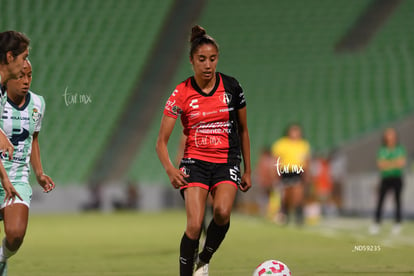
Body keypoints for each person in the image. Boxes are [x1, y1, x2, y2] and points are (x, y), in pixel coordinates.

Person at [156, 25, 251, 276]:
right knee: (194, 226)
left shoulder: (232, 87)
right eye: (201, 59)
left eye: (212, 58)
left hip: (227, 160)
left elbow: (243, 129)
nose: (208, 65)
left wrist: (248, 170)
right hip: (195, 162)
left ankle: (204, 258)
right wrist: (170, 169)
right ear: (191, 61)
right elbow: (161, 142)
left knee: (221, 212)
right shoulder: (181, 93)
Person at [0, 60, 55, 274]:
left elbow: (33, 139)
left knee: (15, 235)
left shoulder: (38, 103)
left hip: (17, 178)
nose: (25, 81)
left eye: (29, 76)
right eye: (20, 76)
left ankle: (2, 259)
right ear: (8, 77)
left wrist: (39, 173)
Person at [0, 31, 30, 203]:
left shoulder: (2, 91)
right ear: (10, 56)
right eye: (24, 57)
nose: (26, 64)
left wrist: (4, 178)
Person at [271, 123, 310, 225]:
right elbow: (277, 160)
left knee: (298, 194)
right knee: (286, 195)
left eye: (297, 131)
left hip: (298, 171)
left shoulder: (303, 145)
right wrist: (276, 174)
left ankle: (299, 216)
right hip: (285, 171)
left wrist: (306, 175)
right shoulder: (281, 144)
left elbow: (306, 161)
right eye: (293, 131)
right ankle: (285, 214)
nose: (295, 134)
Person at [370, 128, 406, 235]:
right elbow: (381, 165)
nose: (390, 137)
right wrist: (393, 163)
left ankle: (397, 223)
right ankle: (377, 223)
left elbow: (401, 163)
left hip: (397, 177)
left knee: (397, 201)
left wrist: (388, 164)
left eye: (392, 135)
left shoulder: (400, 148)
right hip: (385, 178)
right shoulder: (382, 150)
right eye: (388, 135)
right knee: (380, 201)